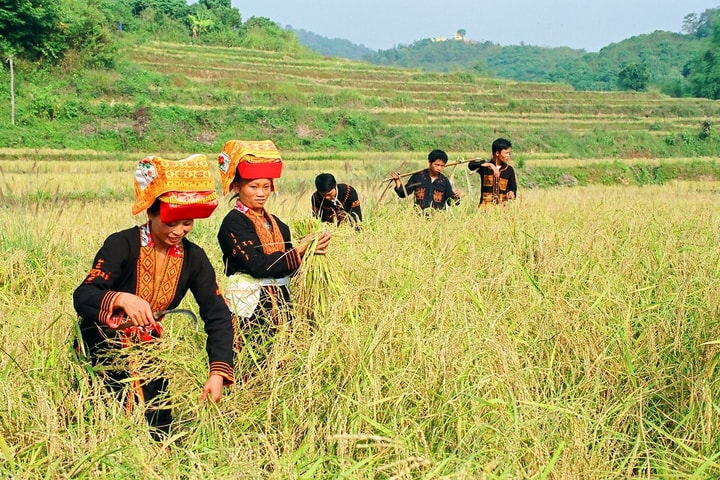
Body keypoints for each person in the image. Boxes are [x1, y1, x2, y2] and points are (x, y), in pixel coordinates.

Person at [73, 154, 235, 440]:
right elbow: (84, 294)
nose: (178, 231)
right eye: (171, 222)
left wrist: (217, 372)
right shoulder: (121, 244)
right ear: (151, 213)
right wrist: (121, 298)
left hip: (150, 350)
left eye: (187, 223)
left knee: (158, 426)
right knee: (106, 426)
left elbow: (217, 313)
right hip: (103, 348)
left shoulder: (194, 258)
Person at [216, 140, 331, 361]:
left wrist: (311, 252)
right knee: (251, 359)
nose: (261, 193)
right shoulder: (234, 223)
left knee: (281, 360)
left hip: (280, 303)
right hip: (250, 308)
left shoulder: (277, 223)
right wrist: (298, 251)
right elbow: (257, 265)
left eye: (266, 186)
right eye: (253, 186)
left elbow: (290, 263)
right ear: (237, 187)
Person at [391, 149, 461, 210]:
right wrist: (397, 180)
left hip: (437, 219)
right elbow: (403, 193)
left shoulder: (444, 181)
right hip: (419, 218)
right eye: (437, 165)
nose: (439, 168)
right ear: (430, 162)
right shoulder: (418, 177)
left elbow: (451, 202)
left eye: (442, 165)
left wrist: (456, 197)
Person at [467, 138, 517, 206]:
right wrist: (489, 164)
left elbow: (513, 188)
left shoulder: (509, 169)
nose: (508, 155)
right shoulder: (485, 167)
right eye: (506, 153)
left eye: (509, 153)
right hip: (485, 208)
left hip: (502, 209)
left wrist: (511, 193)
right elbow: (471, 165)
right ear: (497, 153)